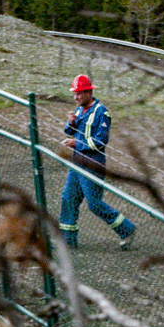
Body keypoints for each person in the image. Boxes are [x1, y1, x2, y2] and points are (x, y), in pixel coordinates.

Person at [59, 74, 137, 249]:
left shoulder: (102, 113)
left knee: (94, 204)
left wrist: (76, 143)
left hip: (92, 164)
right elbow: (69, 131)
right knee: (68, 198)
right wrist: (70, 123)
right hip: (77, 163)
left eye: (79, 94)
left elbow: (100, 141)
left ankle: (127, 229)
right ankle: (67, 240)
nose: (76, 97)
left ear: (89, 92)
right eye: (75, 94)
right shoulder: (79, 110)